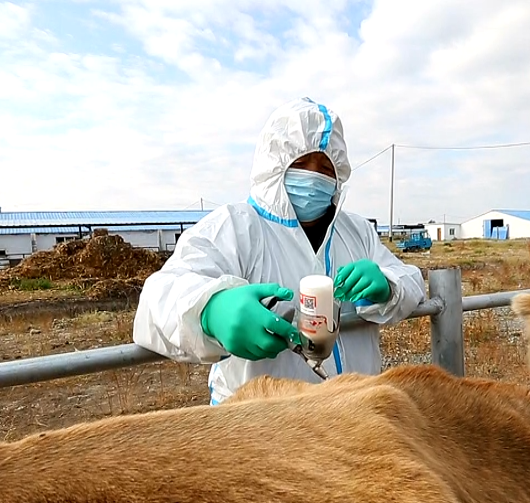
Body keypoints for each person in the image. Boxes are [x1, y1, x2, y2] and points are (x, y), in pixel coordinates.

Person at [133, 97, 425, 405]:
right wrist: (211, 309)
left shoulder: (357, 232)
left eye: (325, 167)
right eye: (300, 163)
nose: (313, 177)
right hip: (263, 425)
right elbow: (159, 297)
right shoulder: (235, 227)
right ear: (273, 166)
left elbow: (411, 281)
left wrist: (388, 286)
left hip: (351, 414)